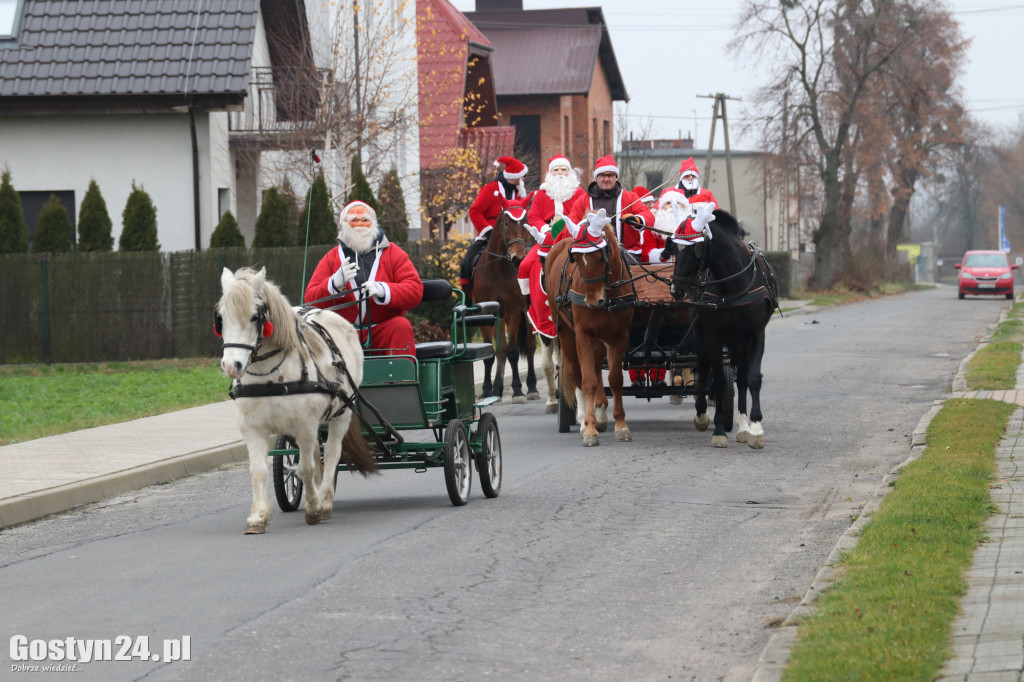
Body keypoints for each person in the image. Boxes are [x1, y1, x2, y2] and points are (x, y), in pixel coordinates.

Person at [305, 200, 423, 356]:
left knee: (401, 325)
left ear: (374, 223)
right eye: (354, 220)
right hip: (341, 334)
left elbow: (415, 290)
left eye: (365, 220)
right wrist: (333, 284)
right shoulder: (331, 258)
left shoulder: (394, 253)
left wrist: (383, 290)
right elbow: (310, 300)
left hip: (381, 330)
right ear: (344, 224)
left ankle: (400, 379)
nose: (360, 224)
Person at [518, 155, 587, 338]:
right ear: (550, 173)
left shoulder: (579, 193)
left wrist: (565, 229)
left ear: (569, 172)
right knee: (525, 266)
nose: (560, 174)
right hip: (546, 238)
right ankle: (530, 301)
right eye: (556, 170)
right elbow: (533, 216)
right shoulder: (542, 193)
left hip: (571, 238)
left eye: (563, 169)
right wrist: (545, 229)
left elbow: (581, 215)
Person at [460, 156, 531, 297]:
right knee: (466, 262)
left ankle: (528, 301)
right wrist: (487, 230)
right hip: (490, 235)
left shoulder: (519, 194)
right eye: (521, 176)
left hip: (514, 237)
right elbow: (474, 211)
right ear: (514, 176)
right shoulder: (489, 190)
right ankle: (466, 299)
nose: (523, 179)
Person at [567, 155, 655, 262]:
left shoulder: (630, 197)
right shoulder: (582, 201)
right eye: (602, 175)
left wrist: (637, 220)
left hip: (626, 252)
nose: (606, 179)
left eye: (610, 175)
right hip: (592, 253)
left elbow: (649, 216)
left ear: (616, 177)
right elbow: (571, 226)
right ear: (596, 178)